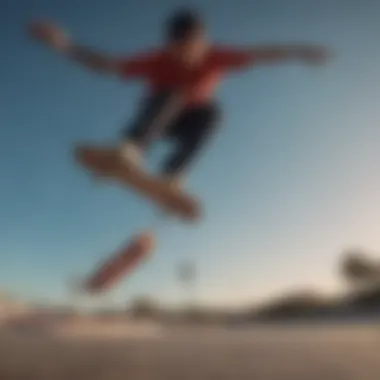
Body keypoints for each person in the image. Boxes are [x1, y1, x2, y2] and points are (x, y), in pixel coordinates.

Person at [29, 9, 328, 189]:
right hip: (156, 119)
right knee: (173, 92)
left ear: (203, 43)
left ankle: (172, 174)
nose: (186, 56)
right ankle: (130, 150)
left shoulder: (217, 56)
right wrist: (66, 46)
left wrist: (300, 52)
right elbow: (107, 65)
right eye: (179, 49)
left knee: (213, 113)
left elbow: (262, 54)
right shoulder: (156, 60)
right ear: (169, 45)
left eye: (193, 48)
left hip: (189, 122)